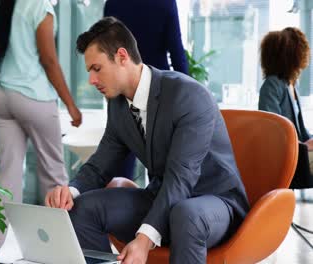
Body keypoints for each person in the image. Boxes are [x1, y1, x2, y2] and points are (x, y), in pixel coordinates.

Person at [45, 17, 249, 264]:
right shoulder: (118, 106)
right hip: (163, 197)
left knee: (186, 214)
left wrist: (144, 239)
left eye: (96, 69)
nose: (91, 80)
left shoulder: (188, 95)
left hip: (214, 202)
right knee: (83, 208)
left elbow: (181, 177)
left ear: (122, 56)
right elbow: (101, 164)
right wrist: (70, 190)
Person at [0, 0, 82, 249]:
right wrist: (70, 105)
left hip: (0, 93)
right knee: (55, 177)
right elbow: (49, 60)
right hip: (32, 95)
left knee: (7, 176)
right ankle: (62, 250)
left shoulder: (8, 4)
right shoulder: (40, 6)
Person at [104, 0, 189, 180]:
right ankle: (159, 206)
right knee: (161, 164)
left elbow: (106, 52)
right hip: (158, 90)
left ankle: (120, 205)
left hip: (122, 88)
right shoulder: (165, 3)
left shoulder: (113, 3)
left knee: (122, 161)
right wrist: (188, 90)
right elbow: (176, 50)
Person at [258, 27, 313, 174]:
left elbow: (301, 131)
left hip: (298, 151)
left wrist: (309, 141)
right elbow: (273, 131)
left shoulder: (291, 84)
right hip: (285, 155)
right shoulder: (272, 85)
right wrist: (304, 146)